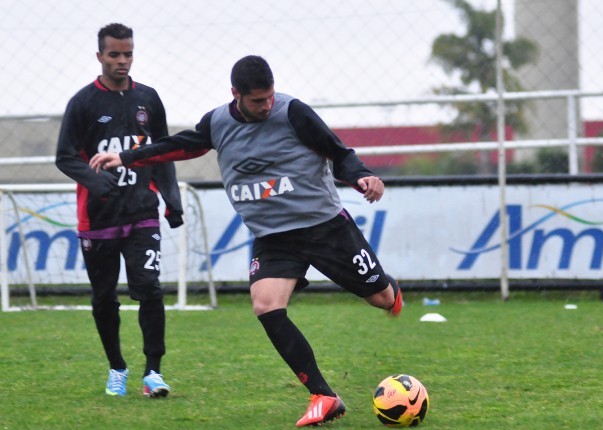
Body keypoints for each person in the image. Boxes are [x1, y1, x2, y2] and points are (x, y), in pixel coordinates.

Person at [90, 55, 403, 425]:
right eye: (257, 101)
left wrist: (362, 177)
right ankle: (323, 395)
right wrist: (125, 157)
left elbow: (339, 154)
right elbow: (180, 146)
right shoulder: (218, 123)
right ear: (235, 94)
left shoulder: (293, 113)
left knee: (381, 299)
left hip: (324, 227)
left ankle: (390, 290)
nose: (266, 105)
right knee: (266, 304)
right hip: (272, 236)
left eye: (269, 96)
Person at [56, 23, 183, 398]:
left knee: (150, 289)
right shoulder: (83, 103)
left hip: (143, 212)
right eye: (115, 54)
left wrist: (171, 200)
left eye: (128, 53)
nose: (122, 61)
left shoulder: (148, 99)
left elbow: (163, 152)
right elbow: (64, 157)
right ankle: (117, 368)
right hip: (98, 220)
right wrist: (96, 182)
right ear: (100, 57)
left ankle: (153, 373)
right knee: (103, 297)